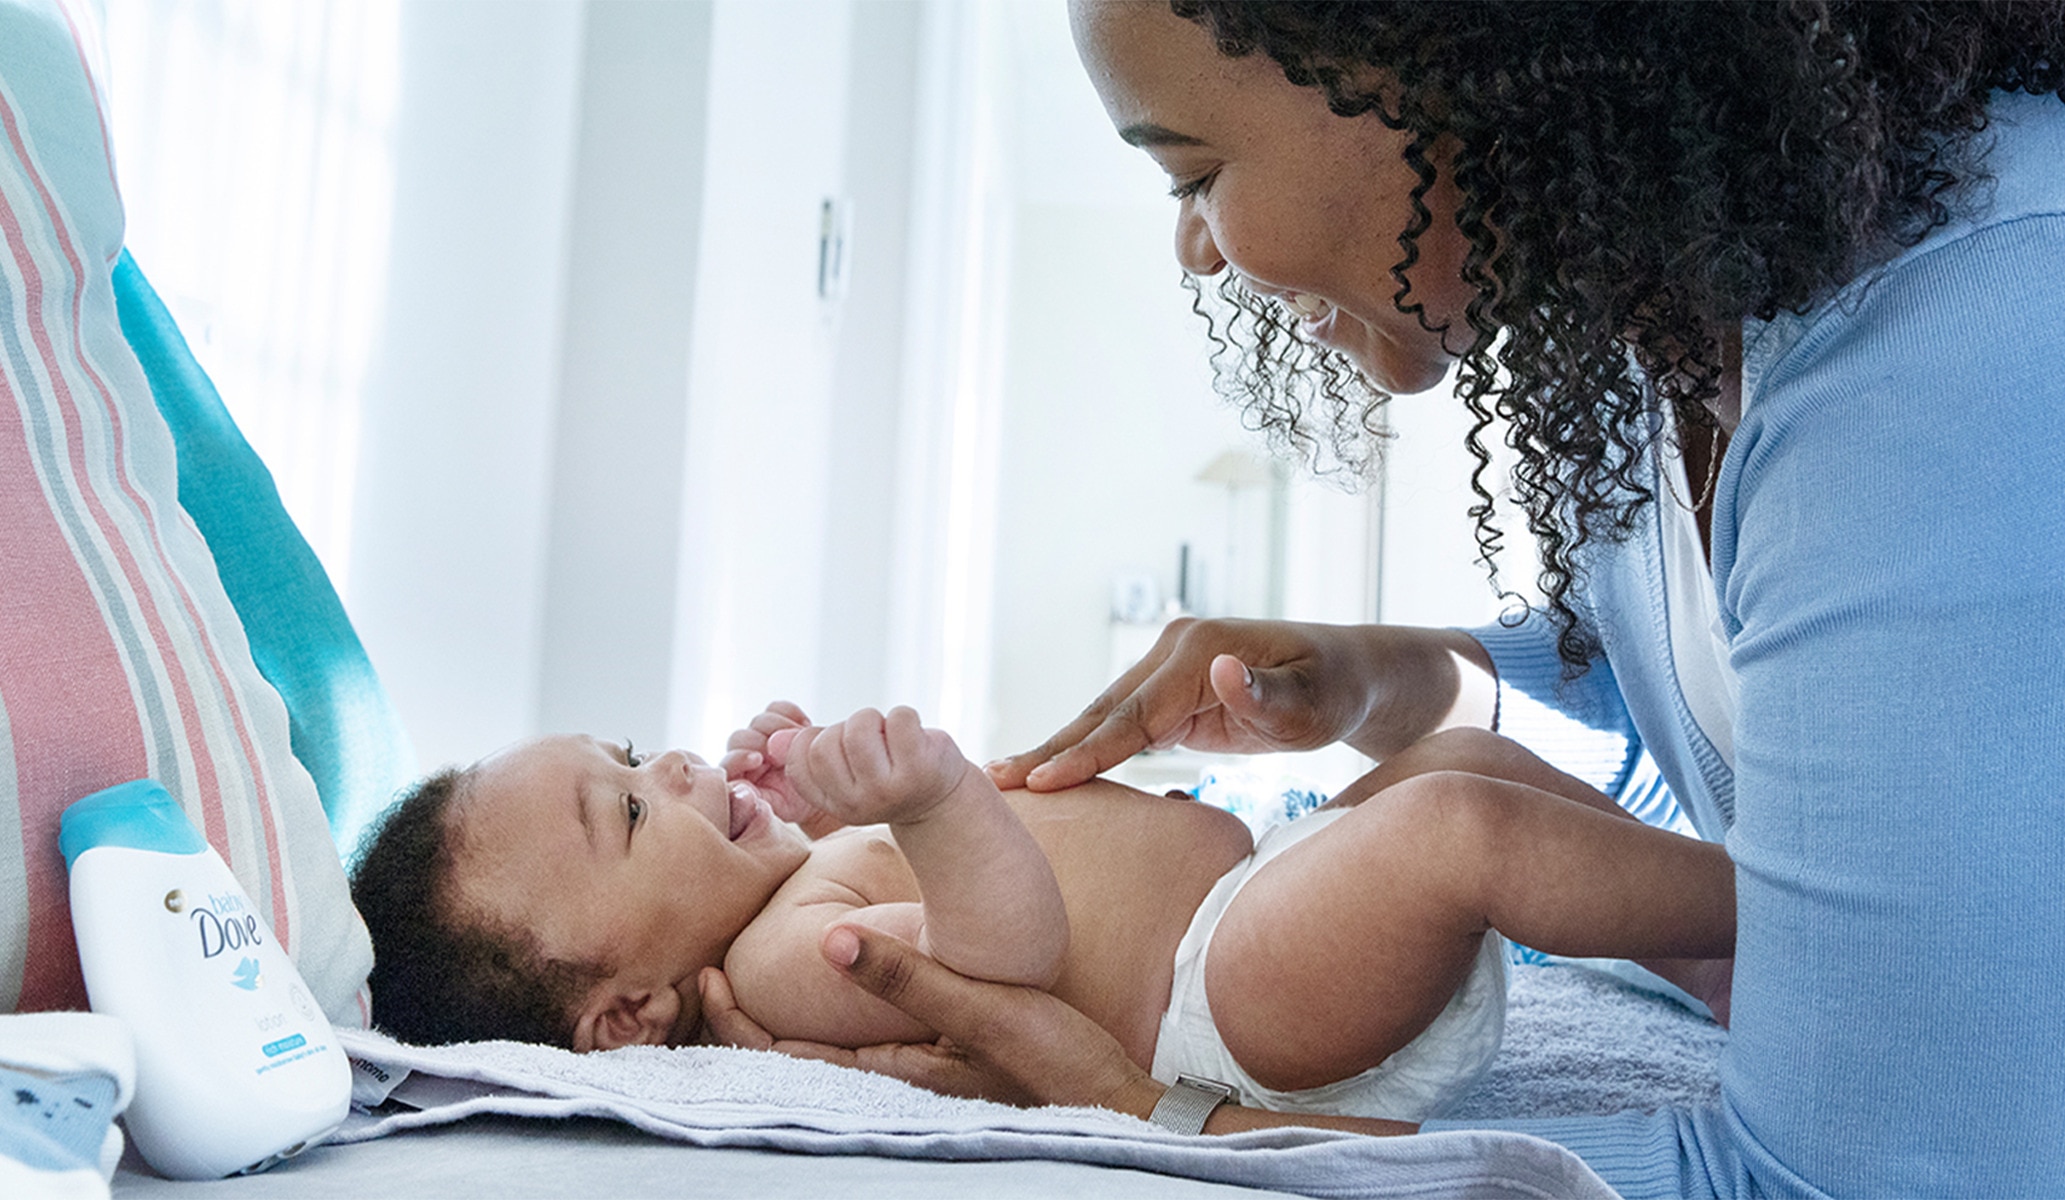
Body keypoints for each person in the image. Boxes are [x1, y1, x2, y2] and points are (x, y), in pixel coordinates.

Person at [723, 2, 2065, 1196]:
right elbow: (1744, 702)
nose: (1196, 251)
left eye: (1194, 170)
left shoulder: (1960, 360)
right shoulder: (1663, 320)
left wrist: (1161, 1116)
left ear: (1448, 58)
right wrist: (1399, 675)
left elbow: (1854, 1178)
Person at [349, 701, 1731, 1122]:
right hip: (1235, 998)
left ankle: (1720, 960)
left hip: (1263, 897)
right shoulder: (779, 966)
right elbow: (1005, 962)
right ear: (624, 1015)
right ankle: (1790, 914)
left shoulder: (799, 880)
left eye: (628, 751)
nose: (676, 768)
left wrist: (826, 802)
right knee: (1457, 830)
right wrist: (936, 798)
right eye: (632, 812)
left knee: (1447, 767)